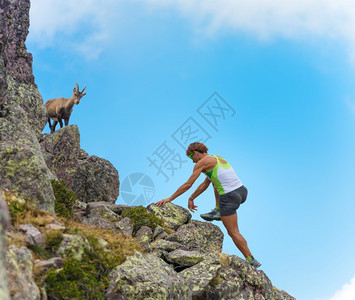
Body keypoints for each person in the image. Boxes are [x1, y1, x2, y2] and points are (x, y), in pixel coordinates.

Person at [155, 142, 261, 268]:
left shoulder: (202, 162)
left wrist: (170, 198)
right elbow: (206, 183)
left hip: (229, 197)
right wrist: (192, 198)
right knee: (213, 181)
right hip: (242, 191)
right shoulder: (217, 158)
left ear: (195, 153)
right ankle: (217, 210)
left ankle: (251, 259)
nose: (193, 162)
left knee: (233, 232)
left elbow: (188, 184)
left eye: (191, 158)